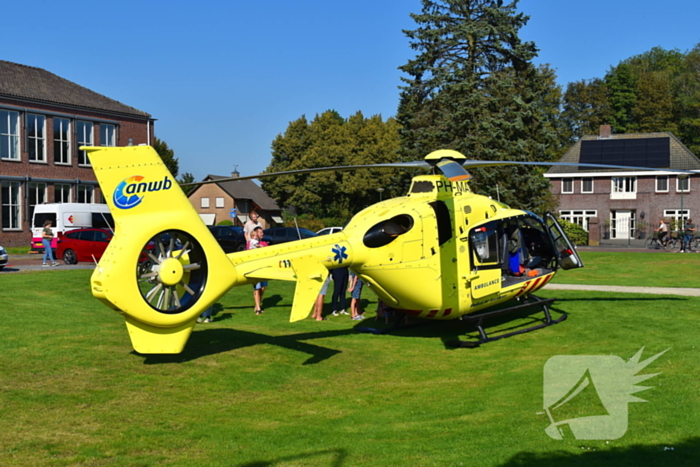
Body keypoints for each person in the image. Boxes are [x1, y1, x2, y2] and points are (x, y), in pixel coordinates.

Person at [248, 226, 268, 314]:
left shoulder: (264, 243)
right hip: (255, 268)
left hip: (264, 267)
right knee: (257, 287)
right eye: (260, 233)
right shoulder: (251, 243)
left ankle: (257, 305)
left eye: (262, 232)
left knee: (263, 287)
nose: (262, 234)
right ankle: (258, 308)